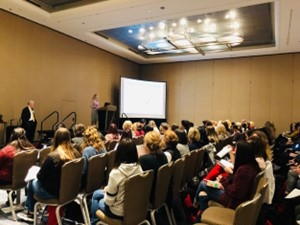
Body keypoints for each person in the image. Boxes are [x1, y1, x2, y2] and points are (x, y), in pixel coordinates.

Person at [18, 127, 81, 222]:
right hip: (70, 191)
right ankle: (33, 209)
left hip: (53, 193)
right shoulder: (77, 154)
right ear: (69, 138)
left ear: (55, 139)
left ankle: (30, 211)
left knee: (31, 181)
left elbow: (40, 177)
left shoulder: (52, 157)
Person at [194, 140, 260, 219]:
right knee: (202, 195)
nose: (234, 151)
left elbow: (235, 193)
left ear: (241, 153)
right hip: (238, 198)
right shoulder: (251, 165)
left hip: (233, 201)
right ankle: (201, 216)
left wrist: (223, 181)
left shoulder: (244, 170)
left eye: (236, 150)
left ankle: (195, 204)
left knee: (202, 184)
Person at [90, 138, 143, 225]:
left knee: (97, 198)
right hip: (133, 207)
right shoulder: (139, 168)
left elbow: (109, 202)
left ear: (119, 153)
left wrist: (107, 192)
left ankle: (94, 222)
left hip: (118, 212)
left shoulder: (116, 173)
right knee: (98, 193)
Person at [139, 131, 168, 201]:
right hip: (162, 193)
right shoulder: (163, 155)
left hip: (148, 196)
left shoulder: (144, 159)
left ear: (147, 145)